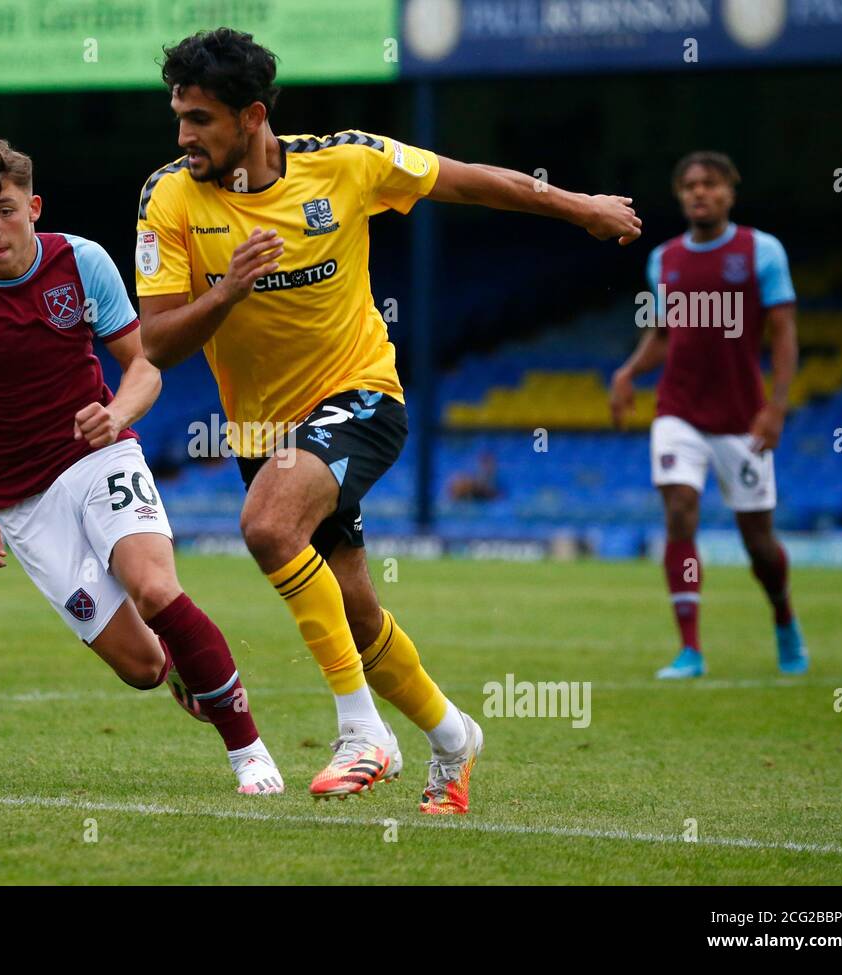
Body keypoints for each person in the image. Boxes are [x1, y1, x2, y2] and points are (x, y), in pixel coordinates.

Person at [135, 28, 641, 810]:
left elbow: (470, 181)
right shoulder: (168, 195)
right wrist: (226, 292)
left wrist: (581, 208)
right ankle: (450, 735)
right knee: (355, 609)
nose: (183, 136)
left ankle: (363, 733)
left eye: (200, 118)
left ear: (253, 116)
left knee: (269, 526)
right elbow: (160, 342)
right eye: (178, 116)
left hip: (361, 395)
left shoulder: (346, 160)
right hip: (262, 431)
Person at [0, 139, 283, 795]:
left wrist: (118, 412)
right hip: (20, 500)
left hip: (100, 454)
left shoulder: (81, 262)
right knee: (141, 667)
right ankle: (187, 669)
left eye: (4, 209)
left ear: (33, 206)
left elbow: (144, 365)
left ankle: (249, 753)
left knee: (155, 588)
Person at [611, 151, 806, 679]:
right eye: (691, 185)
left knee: (758, 542)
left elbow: (784, 332)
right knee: (679, 510)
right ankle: (690, 649)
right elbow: (664, 334)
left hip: (743, 417)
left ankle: (783, 615)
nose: (701, 192)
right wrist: (629, 371)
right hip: (678, 409)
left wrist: (776, 407)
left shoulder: (760, 251)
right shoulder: (664, 259)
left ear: (729, 192)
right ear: (679, 195)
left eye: (711, 184)